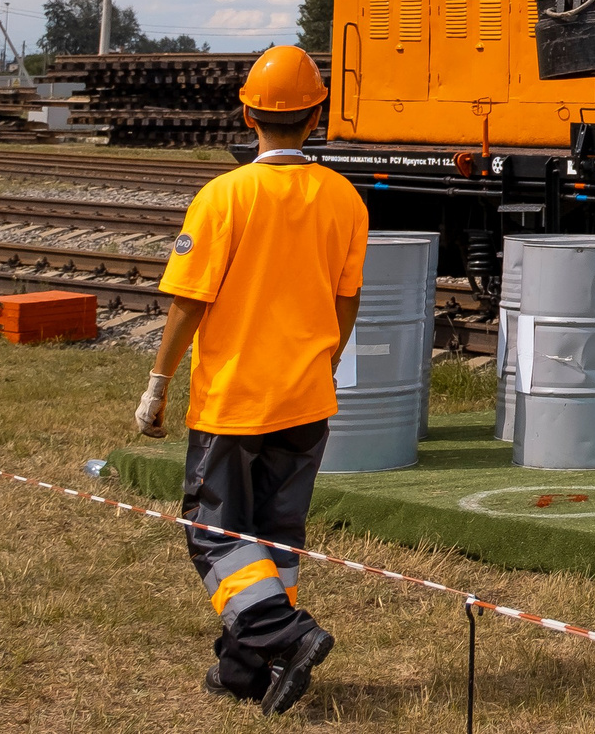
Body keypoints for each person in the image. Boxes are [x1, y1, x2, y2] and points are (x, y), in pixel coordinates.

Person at [135, 45, 368, 715]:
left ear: (246, 115)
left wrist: (158, 381)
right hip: (306, 399)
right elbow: (346, 299)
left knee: (214, 534)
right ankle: (245, 672)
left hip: (234, 401)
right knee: (273, 539)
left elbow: (189, 302)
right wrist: (323, 361)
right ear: (316, 115)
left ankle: (288, 636)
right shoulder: (343, 198)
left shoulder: (222, 198)